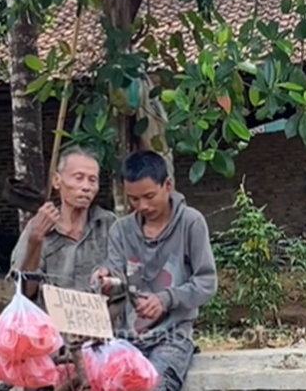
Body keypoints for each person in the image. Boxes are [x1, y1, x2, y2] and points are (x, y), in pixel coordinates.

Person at [93, 150, 217, 391]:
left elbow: (206, 282)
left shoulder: (191, 223)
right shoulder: (121, 230)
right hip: (128, 337)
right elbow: (117, 275)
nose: (143, 206)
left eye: (149, 196)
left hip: (173, 337)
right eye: (134, 199)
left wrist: (166, 299)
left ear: (168, 185)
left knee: (155, 385)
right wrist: (106, 279)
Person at [10, 145, 116, 297]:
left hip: (102, 318)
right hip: (52, 319)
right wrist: (35, 242)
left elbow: (130, 277)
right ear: (57, 181)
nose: (86, 187)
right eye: (79, 178)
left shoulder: (109, 225)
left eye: (92, 180)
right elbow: (24, 292)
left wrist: (110, 281)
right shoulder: (38, 227)